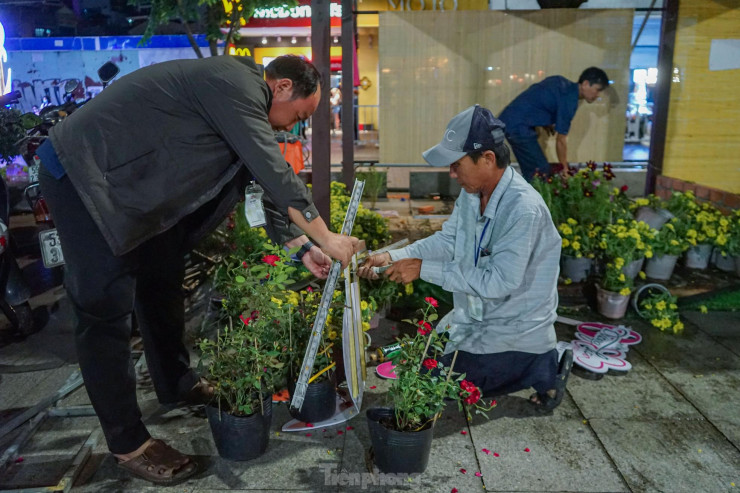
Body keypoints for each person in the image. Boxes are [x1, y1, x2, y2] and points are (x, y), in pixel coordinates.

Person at [36, 54, 358, 485]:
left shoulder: (241, 105)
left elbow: (261, 185)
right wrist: (327, 238)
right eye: (297, 116)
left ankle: (176, 384)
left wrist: (302, 249)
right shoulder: (235, 85)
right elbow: (273, 168)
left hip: (132, 191)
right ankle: (128, 443)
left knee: (162, 280)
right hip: (84, 175)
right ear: (281, 87)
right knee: (103, 309)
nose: (291, 128)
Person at [359, 104, 572, 412]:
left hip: (513, 329)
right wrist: (393, 256)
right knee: (424, 361)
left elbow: (500, 282)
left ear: (487, 159)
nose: (451, 172)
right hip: (475, 316)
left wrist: (423, 269)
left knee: (435, 379)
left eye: (456, 164)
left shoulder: (522, 209)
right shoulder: (473, 193)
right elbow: (449, 240)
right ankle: (534, 365)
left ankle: (544, 366)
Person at [498, 67, 609, 181]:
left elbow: (539, 98)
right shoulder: (570, 101)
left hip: (512, 121)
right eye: (597, 89)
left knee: (535, 172)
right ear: (585, 84)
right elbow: (560, 141)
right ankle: (528, 197)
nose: (598, 95)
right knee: (539, 173)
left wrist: (545, 121)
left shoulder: (559, 82)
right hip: (517, 126)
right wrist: (565, 168)